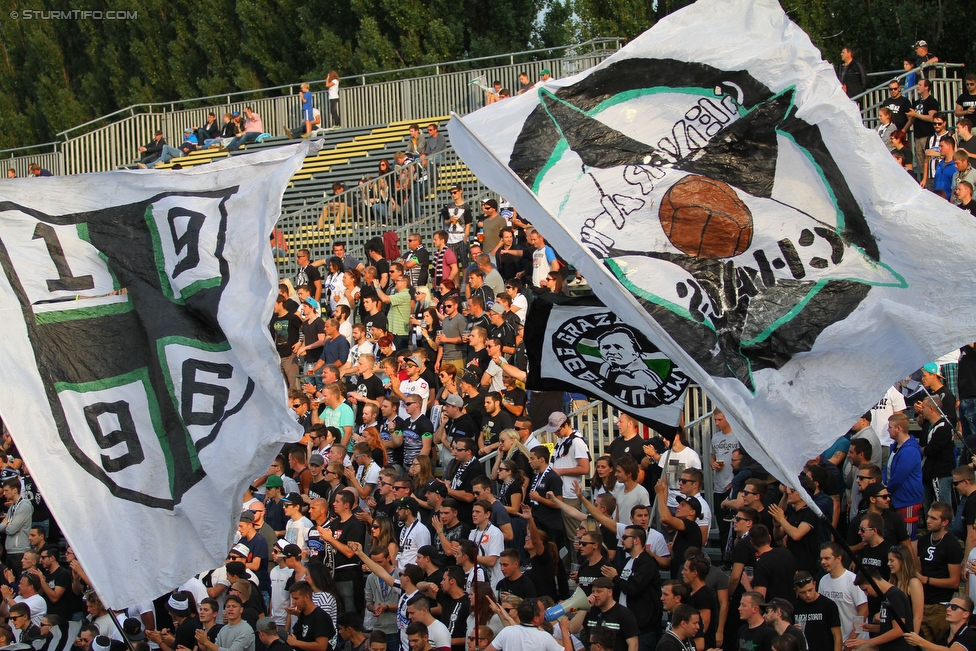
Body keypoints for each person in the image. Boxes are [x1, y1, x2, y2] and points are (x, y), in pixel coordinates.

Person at [918, 502, 963, 641]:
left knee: (942, 645)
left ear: (945, 522)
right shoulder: (924, 540)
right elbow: (919, 567)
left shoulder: (952, 545)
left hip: (941, 606)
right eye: (928, 516)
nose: (928, 520)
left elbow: (955, 582)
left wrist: (927, 580)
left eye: (933, 518)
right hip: (923, 603)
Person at [847, 569, 914, 651]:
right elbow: (889, 626)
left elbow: (899, 630)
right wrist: (870, 627)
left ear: (874, 582)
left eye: (865, 590)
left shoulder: (895, 596)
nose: (866, 594)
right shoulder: (885, 597)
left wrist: (867, 642)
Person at [884, 413, 923, 542]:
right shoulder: (895, 447)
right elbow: (887, 469)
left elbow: (899, 476)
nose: (887, 430)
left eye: (890, 427)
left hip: (908, 499)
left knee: (908, 536)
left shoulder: (909, 450)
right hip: (898, 498)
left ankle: (911, 562)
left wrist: (887, 489)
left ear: (898, 429)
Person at [819, 542, 869, 641]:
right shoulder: (823, 580)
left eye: (827, 558)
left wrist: (852, 637)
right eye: (821, 559)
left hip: (856, 642)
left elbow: (864, 610)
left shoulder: (852, 580)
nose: (823, 562)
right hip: (836, 640)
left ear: (838, 558)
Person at [903, 596, 976, 651]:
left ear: (966, 614)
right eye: (948, 605)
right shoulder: (945, 636)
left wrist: (919, 641)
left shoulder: (969, 635)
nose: (948, 609)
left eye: (954, 607)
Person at [793, 572, 842, 651]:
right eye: (802, 592)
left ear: (814, 584)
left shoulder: (828, 605)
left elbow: (837, 636)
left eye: (810, 590)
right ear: (796, 590)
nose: (808, 595)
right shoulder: (794, 607)